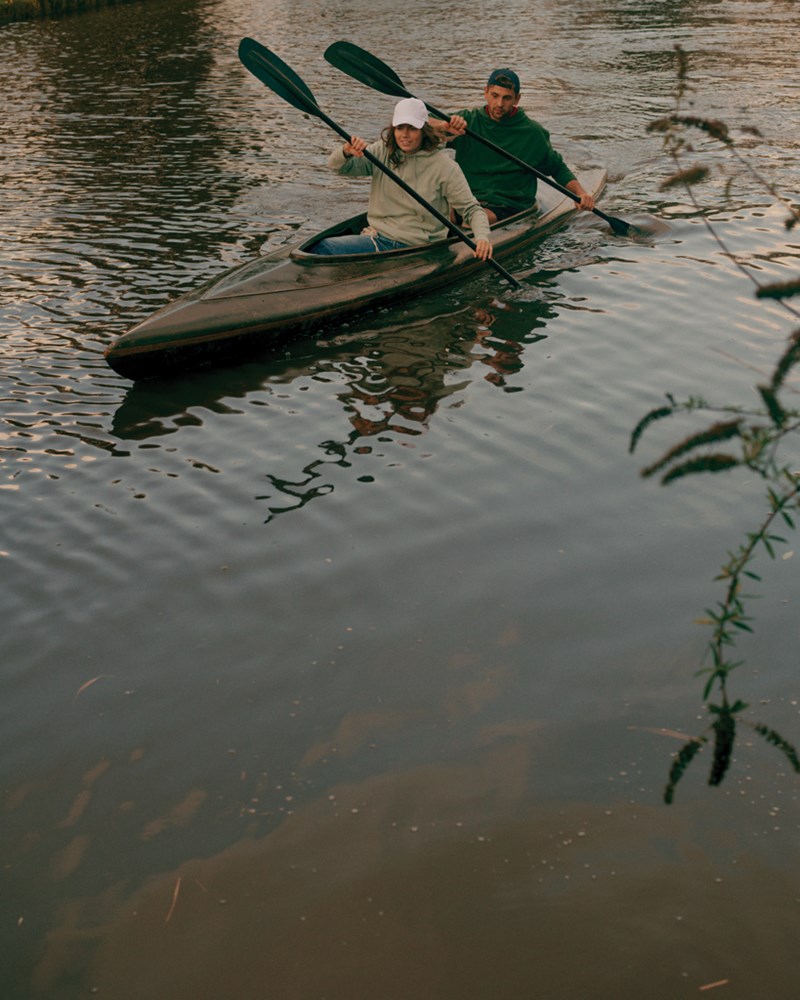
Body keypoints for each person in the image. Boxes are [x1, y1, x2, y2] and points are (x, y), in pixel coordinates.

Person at [313, 97, 492, 260]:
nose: (404, 135)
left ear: (424, 131)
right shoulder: (382, 152)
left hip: (418, 247)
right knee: (316, 247)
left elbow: (471, 210)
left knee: (324, 248)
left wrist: (482, 238)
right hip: (378, 238)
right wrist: (346, 152)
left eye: (412, 128)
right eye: (400, 127)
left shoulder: (445, 167)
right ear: (393, 128)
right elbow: (338, 167)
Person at [434, 68, 595, 224]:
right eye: (495, 96)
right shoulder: (467, 121)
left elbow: (557, 168)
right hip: (468, 198)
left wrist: (581, 194)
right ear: (486, 92)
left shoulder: (532, 133)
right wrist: (443, 126)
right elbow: (422, 127)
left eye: (507, 98)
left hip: (507, 204)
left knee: (473, 220)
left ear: (517, 99)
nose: (499, 104)